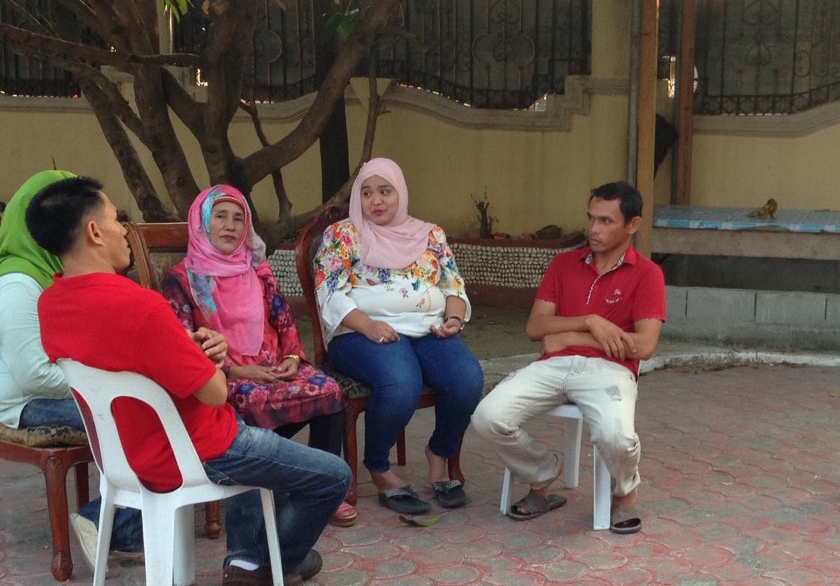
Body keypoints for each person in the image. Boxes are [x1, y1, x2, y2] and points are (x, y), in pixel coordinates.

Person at [25, 176, 352, 586]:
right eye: (115, 219)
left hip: (125, 454)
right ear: (94, 232)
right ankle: (274, 563)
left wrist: (189, 347)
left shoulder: (50, 304)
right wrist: (206, 358)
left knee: (260, 440)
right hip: (198, 448)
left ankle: (247, 560)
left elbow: (127, 354)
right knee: (334, 475)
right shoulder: (143, 306)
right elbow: (215, 393)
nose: (124, 229)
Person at [471, 181, 666, 534]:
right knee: (487, 417)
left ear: (632, 225)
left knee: (616, 437)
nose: (593, 229)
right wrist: (592, 323)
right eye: (591, 218)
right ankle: (543, 472)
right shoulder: (563, 264)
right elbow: (536, 327)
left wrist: (569, 336)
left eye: (606, 221)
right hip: (553, 365)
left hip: (611, 370)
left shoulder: (647, 274)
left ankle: (624, 493)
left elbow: (644, 346)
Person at [162, 184, 356, 527]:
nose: (230, 226)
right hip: (222, 378)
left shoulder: (257, 270)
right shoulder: (182, 280)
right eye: (220, 216)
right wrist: (237, 373)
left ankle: (323, 486)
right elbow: (183, 348)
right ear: (202, 223)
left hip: (273, 367)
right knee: (250, 402)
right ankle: (268, 483)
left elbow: (285, 322)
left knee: (329, 390)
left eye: (239, 218)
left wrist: (293, 359)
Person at [0, 169, 144, 572]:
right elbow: (35, 376)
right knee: (140, 416)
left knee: (149, 411)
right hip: (26, 404)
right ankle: (102, 521)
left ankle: (123, 527)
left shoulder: (61, 275)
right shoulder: (17, 287)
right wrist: (105, 386)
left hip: (63, 390)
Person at [313, 157, 484, 515]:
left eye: (385, 191)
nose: (376, 201)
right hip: (359, 331)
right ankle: (379, 466)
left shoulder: (429, 234)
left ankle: (439, 454)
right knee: (401, 381)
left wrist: (453, 318)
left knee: (467, 378)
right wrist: (368, 325)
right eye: (367, 193)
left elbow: (452, 282)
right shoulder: (343, 235)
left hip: (427, 327)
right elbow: (328, 291)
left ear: (400, 193)